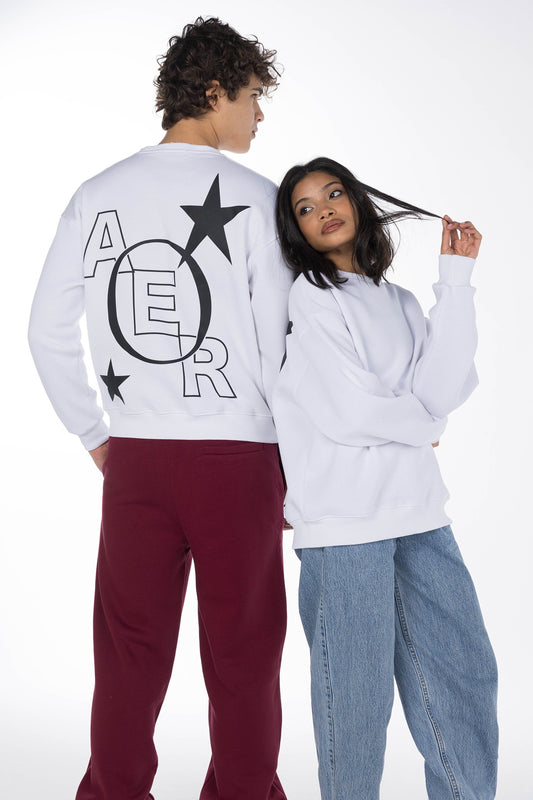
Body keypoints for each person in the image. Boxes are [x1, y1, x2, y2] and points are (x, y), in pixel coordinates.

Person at [28, 17, 292, 800]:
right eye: (252, 96)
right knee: (244, 655)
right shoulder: (258, 199)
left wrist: (94, 434)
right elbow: (283, 348)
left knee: (128, 654)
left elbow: (45, 330)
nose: (259, 114)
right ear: (213, 91)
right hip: (240, 460)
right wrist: (298, 461)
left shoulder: (96, 194)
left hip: (137, 459)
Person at [272, 157, 498, 800]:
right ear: (296, 230)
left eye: (333, 194)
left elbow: (444, 387)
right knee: (355, 704)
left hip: (421, 512)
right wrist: (424, 423)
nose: (324, 210)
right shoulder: (311, 297)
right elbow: (350, 412)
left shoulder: (398, 300)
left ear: (357, 201)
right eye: (306, 208)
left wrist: (455, 279)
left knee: (465, 676)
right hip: (343, 524)